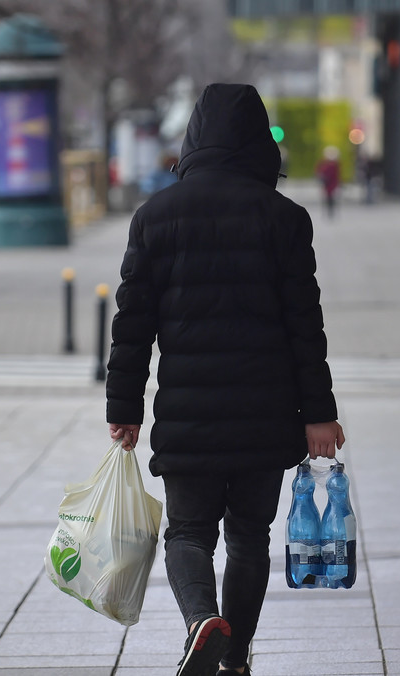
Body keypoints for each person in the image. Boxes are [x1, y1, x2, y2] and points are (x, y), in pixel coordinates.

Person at [106, 83, 346, 676]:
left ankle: (199, 624)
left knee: (188, 533)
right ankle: (233, 660)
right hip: (268, 417)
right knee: (247, 538)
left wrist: (125, 407)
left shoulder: (155, 217)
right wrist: (320, 413)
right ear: (262, 144)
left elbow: (132, 324)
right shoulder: (286, 218)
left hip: (190, 418)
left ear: (192, 141)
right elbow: (304, 326)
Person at [315, 145, 341, 218]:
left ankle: (330, 211)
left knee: (330, 197)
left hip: (331, 183)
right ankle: (329, 211)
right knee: (329, 197)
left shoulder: (334, 164)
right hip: (327, 183)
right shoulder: (326, 163)